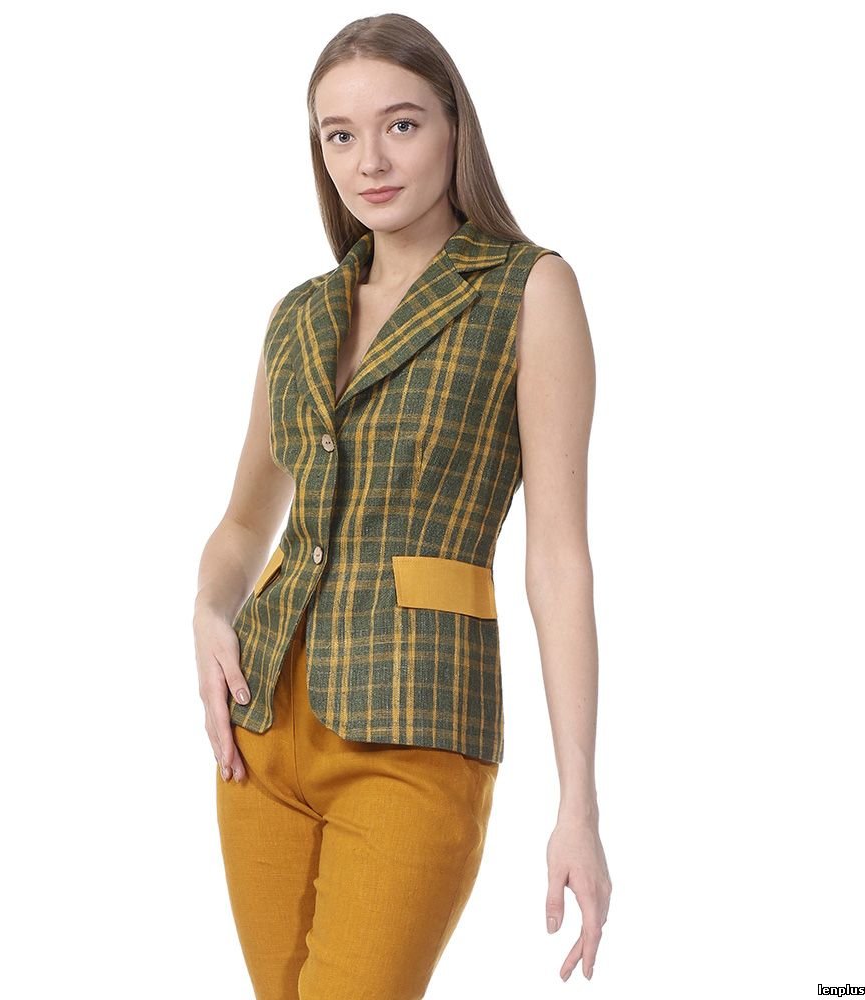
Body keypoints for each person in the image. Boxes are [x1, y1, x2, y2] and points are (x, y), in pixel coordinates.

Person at [193, 13, 611, 998]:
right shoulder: (301, 314)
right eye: (339, 135)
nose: (369, 161)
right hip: (262, 730)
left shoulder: (526, 290)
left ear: (455, 126)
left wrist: (578, 802)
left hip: (416, 724)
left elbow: (558, 557)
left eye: (401, 125)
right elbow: (245, 522)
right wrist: (210, 608)